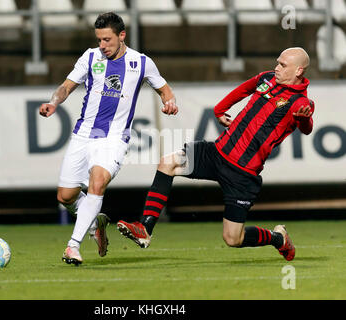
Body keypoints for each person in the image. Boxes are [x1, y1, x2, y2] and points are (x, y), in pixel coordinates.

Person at [117, 47, 314, 261]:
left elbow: (307, 127)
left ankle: (278, 239)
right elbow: (243, 90)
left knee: (233, 239)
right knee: (168, 163)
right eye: (278, 62)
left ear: (298, 71)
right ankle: (145, 228)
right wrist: (219, 110)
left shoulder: (301, 102)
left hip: (243, 174)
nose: (276, 67)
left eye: (283, 65)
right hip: (217, 153)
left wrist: (303, 119)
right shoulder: (267, 78)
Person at [39, 12, 178, 265]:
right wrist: (53, 102)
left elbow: (164, 88)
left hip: (114, 137)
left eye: (107, 39)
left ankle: (73, 246)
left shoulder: (141, 62)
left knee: (98, 182)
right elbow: (66, 86)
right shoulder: (90, 57)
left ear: (122, 35)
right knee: (65, 196)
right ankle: (96, 222)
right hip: (83, 135)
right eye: (99, 40)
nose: (102, 45)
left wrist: (169, 101)